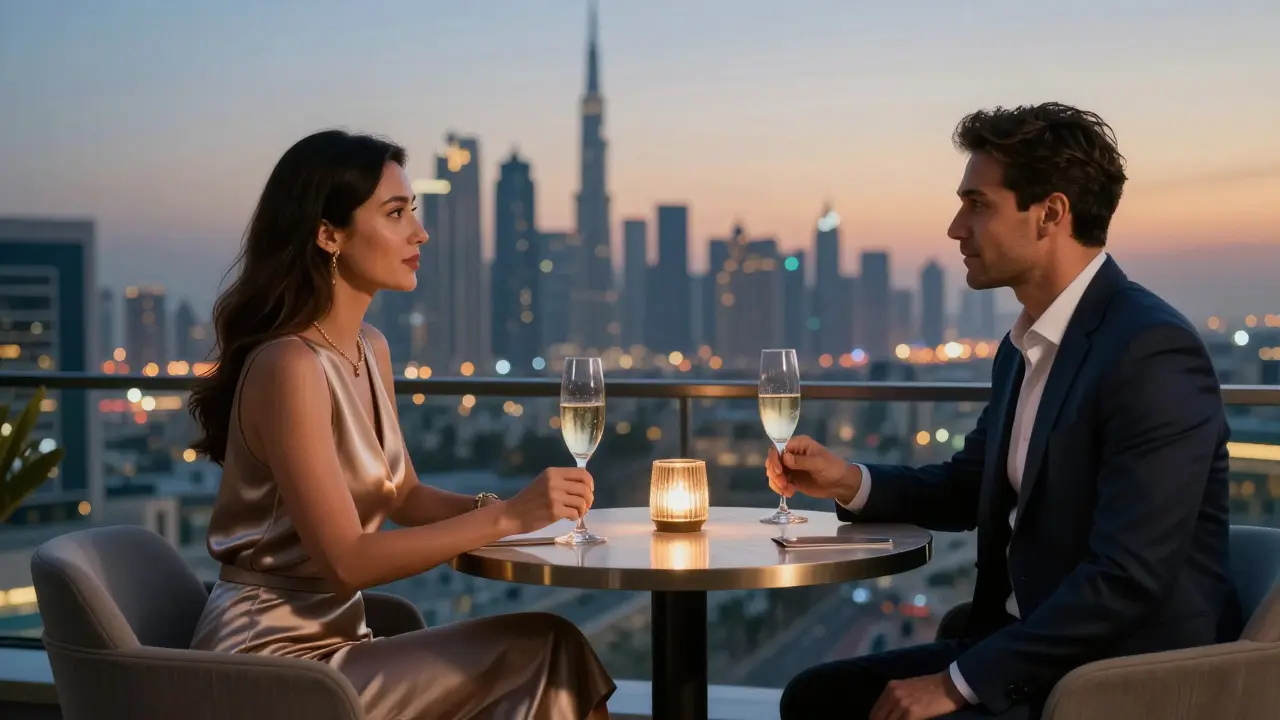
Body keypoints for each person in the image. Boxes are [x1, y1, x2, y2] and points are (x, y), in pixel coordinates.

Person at [770, 102, 1239, 720]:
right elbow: (972, 487)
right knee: (816, 697)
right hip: (1026, 650)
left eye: (978, 204)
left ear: (1050, 213)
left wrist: (957, 683)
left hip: (1115, 677)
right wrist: (849, 481)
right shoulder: (1026, 346)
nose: (955, 228)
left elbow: (1127, 577)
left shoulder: (1149, 350)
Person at [187, 129, 615, 720]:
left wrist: (512, 510)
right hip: (270, 662)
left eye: (413, 210)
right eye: (395, 213)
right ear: (327, 234)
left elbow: (405, 495)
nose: (420, 232)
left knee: (546, 651)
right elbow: (347, 561)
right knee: (547, 649)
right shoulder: (288, 365)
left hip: (344, 642)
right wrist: (509, 517)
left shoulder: (371, 347)